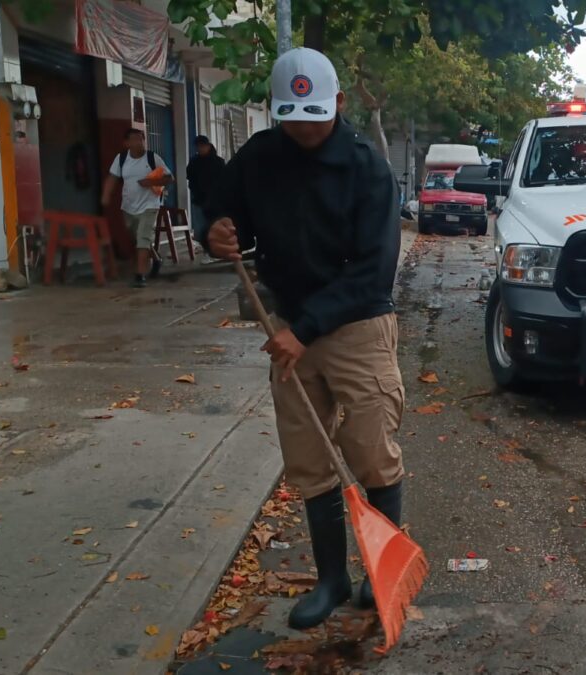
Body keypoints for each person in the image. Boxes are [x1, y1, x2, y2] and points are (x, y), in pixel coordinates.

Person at [206, 47, 404, 630]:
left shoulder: (368, 169)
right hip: (288, 325)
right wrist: (211, 230)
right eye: (291, 117)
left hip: (356, 326)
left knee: (371, 449)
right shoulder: (259, 156)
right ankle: (331, 579)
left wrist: (305, 331)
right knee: (309, 458)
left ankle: (381, 567)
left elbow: (374, 270)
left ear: (338, 103)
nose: (304, 128)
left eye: (315, 116)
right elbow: (220, 212)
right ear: (276, 110)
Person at [101, 129, 174, 287]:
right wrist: (106, 196)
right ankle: (156, 260)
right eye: (134, 139)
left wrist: (151, 183)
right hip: (128, 207)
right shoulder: (121, 159)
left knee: (143, 237)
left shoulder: (152, 158)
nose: (138, 142)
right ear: (126, 143)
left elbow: (170, 177)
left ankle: (140, 275)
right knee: (139, 238)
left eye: (141, 139)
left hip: (150, 205)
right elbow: (112, 178)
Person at [186, 135, 226, 256]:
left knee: (214, 225)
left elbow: (224, 180)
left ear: (208, 146)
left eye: (202, 146)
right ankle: (206, 251)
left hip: (215, 200)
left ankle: (214, 250)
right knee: (201, 227)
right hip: (199, 199)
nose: (200, 149)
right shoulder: (194, 162)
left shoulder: (218, 162)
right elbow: (190, 178)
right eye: (198, 146)